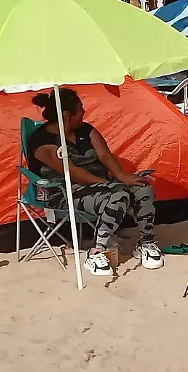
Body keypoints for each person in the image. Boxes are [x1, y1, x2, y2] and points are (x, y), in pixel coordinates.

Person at [27, 88, 161, 277]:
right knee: (119, 194)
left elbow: (105, 155)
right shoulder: (42, 142)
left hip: (101, 185)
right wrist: (112, 185)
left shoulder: (86, 130)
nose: (84, 112)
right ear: (66, 114)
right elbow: (74, 173)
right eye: (80, 108)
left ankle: (145, 243)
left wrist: (122, 176)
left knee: (142, 186)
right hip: (65, 193)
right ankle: (96, 252)